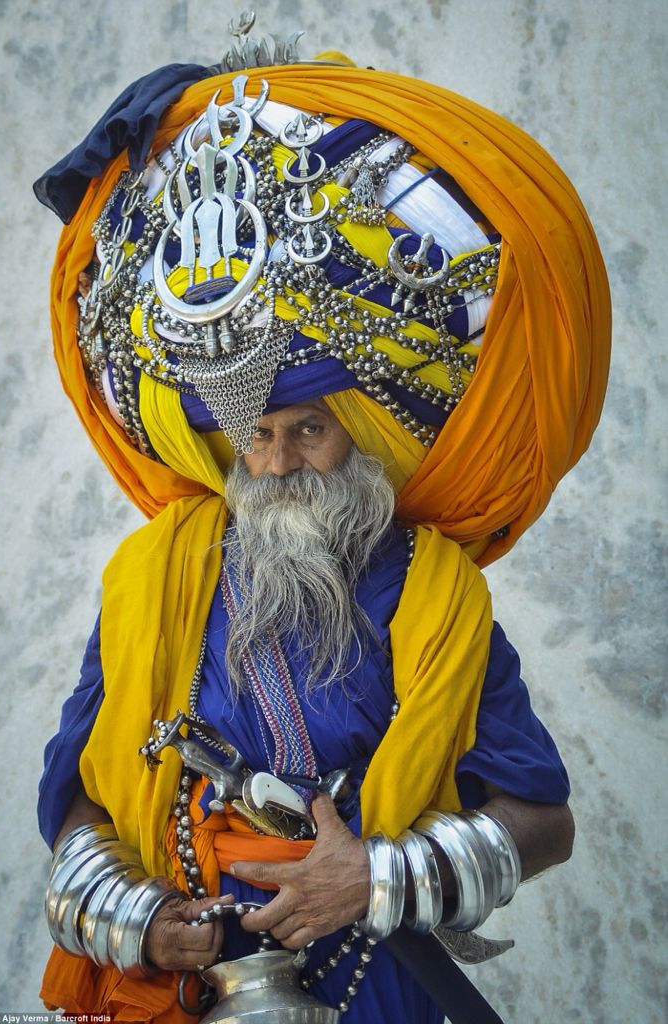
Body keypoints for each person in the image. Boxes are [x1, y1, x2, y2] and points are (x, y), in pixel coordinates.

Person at [34, 18, 610, 1024]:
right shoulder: (151, 579)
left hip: (371, 982)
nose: (276, 459)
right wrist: (130, 910)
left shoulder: (432, 594)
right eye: (252, 432)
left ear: (359, 427)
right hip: (182, 986)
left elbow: (543, 817)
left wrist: (376, 881)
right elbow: (75, 793)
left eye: (310, 426)